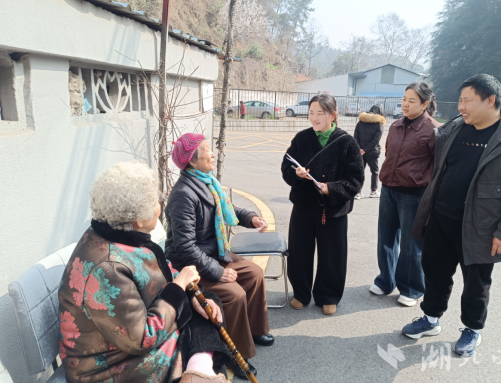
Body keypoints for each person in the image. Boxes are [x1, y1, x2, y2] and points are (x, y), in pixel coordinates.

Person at [403, 75, 501, 357]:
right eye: (460, 100)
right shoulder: (456, 128)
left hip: (482, 225)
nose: (461, 107)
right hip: (441, 216)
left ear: (490, 100)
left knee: (476, 281)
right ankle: (431, 318)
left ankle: (472, 329)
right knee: (435, 270)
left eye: (467, 100)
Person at [58, 162, 232, 383]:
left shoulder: (116, 234)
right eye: (157, 201)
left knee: (204, 302)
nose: (161, 204)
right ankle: (200, 369)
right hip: (110, 368)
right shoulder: (106, 269)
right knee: (200, 317)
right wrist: (178, 288)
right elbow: (141, 339)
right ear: (138, 219)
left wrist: (186, 291)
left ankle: (199, 370)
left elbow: (157, 271)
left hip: (124, 344)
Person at [165, 133, 272, 380]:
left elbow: (228, 208)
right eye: (206, 149)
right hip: (191, 265)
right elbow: (185, 248)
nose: (212, 153)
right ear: (192, 161)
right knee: (234, 294)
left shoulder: (207, 181)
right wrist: (217, 272)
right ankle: (236, 353)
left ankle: (255, 330)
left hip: (215, 253)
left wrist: (251, 218)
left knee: (254, 273)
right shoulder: (183, 194)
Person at [281, 94, 364, 316]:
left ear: (333, 115)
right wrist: (297, 174)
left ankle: (328, 296)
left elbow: (356, 179)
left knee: (332, 255)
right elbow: (286, 167)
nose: (314, 117)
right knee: (299, 252)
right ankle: (301, 293)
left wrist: (332, 188)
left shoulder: (347, 142)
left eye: (320, 113)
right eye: (311, 112)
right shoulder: (301, 138)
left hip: (333, 209)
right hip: (303, 206)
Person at [370, 83, 441, 307]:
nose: (405, 104)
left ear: (425, 104)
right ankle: (385, 280)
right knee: (386, 238)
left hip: (414, 194)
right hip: (389, 189)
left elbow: (439, 165)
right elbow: (390, 154)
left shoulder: (434, 130)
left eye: (412, 100)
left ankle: (411, 288)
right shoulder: (396, 126)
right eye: (404, 99)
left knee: (411, 245)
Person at [354, 104, 386, 199]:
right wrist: (365, 150)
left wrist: (360, 149)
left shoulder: (360, 122)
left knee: (360, 171)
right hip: (372, 152)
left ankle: (357, 192)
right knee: (374, 171)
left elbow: (355, 137)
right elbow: (375, 140)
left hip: (360, 152)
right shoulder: (379, 124)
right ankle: (374, 191)